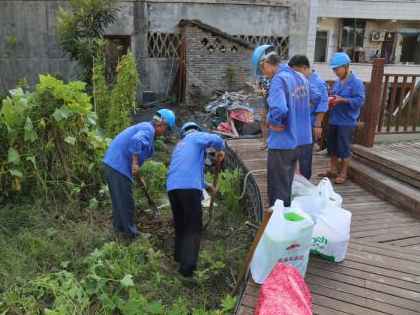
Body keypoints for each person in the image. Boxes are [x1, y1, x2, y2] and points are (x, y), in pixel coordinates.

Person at [251, 45, 312, 207]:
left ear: (265, 64)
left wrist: (272, 121)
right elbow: (315, 98)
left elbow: (279, 109)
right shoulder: (300, 77)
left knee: (277, 188)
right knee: (287, 183)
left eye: (263, 70)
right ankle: (286, 216)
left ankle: (277, 223)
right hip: (299, 142)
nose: (266, 74)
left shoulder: (279, 79)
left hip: (283, 142)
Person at [103, 109, 176, 239]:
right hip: (118, 165)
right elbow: (136, 141)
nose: (166, 133)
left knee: (119, 200)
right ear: (162, 124)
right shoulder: (149, 129)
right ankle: (133, 235)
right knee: (127, 203)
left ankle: (119, 228)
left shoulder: (145, 128)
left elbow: (134, 157)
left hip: (112, 163)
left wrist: (139, 178)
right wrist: (135, 164)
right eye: (167, 129)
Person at [167, 122, 225, 277]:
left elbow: (190, 173)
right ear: (194, 131)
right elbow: (216, 139)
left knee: (181, 224)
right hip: (188, 188)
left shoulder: (179, 147)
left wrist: (208, 186)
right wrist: (220, 150)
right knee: (193, 227)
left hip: (173, 188)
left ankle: (179, 256)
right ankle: (187, 270)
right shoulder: (195, 137)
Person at [318, 52, 365, 184]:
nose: (335, 72)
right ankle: (333, 170)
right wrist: (331, 97)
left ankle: (343, 173)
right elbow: (335, 96)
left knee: (344, 149)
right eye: (334, 69)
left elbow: (360, 101)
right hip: (334, 120)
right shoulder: (338, 81)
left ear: (345, 66)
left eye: (336, 69)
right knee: (331, 146)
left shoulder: (357, 83)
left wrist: (343, 100)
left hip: (347, 122)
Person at [288, 55, 328, 180]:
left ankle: (305, 180)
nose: (294, 75)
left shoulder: (318, 82)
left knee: (305, 156)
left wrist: (317, 125)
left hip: (309, 124)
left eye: (296, 71)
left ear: (305, 68)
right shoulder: (298, 80)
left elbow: (323, 104)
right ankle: (295, 179)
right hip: (296, 124)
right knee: (293, 153)